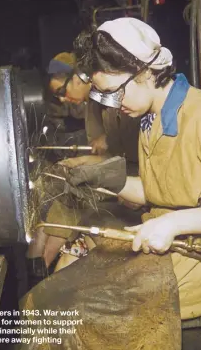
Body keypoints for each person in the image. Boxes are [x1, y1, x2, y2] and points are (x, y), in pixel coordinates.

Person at [63, 17, 201, 320]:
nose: (114, 105)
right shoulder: (149, 119)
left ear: (144, 72)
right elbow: (168, 189)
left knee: (98, 307)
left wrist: (172, 224)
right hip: (175, 241)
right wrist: (109, 179)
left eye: (117, 92)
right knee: (75, 267)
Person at [26, 50, 141, 284]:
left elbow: (126, 159)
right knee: (57, 185)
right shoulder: (97, 105)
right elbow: (111, 155)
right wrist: (80, 161)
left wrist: (103, 147)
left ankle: (39, 271)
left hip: (133, 180)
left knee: (66, 196)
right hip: (121, 171)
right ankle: (37, 271)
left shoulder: (125, 104)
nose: (62, 99)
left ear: (78, 79)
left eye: (61, 91)